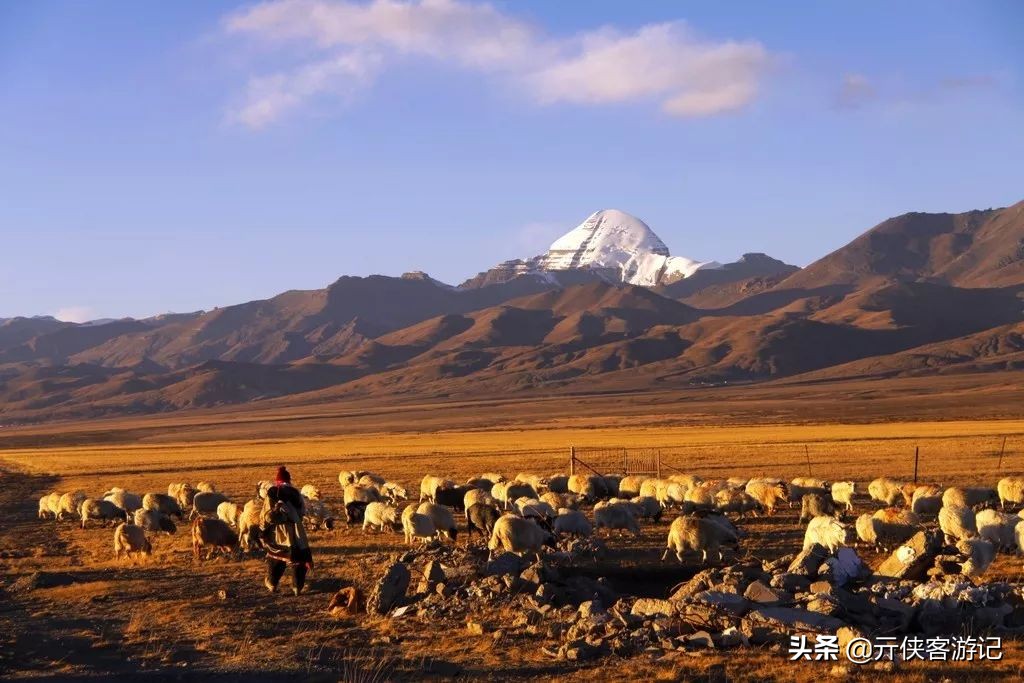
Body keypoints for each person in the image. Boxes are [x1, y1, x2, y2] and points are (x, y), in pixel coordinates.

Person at [258, 466, 313, 595]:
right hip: (294, 530)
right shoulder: (295, 493)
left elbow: (265, 515)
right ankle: (297, 587)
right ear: (289, 480)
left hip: (276, 533)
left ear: (277, 480)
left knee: (276, 558)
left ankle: (272, 584)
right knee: (297, 559)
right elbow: (301, 512)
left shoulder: (271, 493)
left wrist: (262, 530)